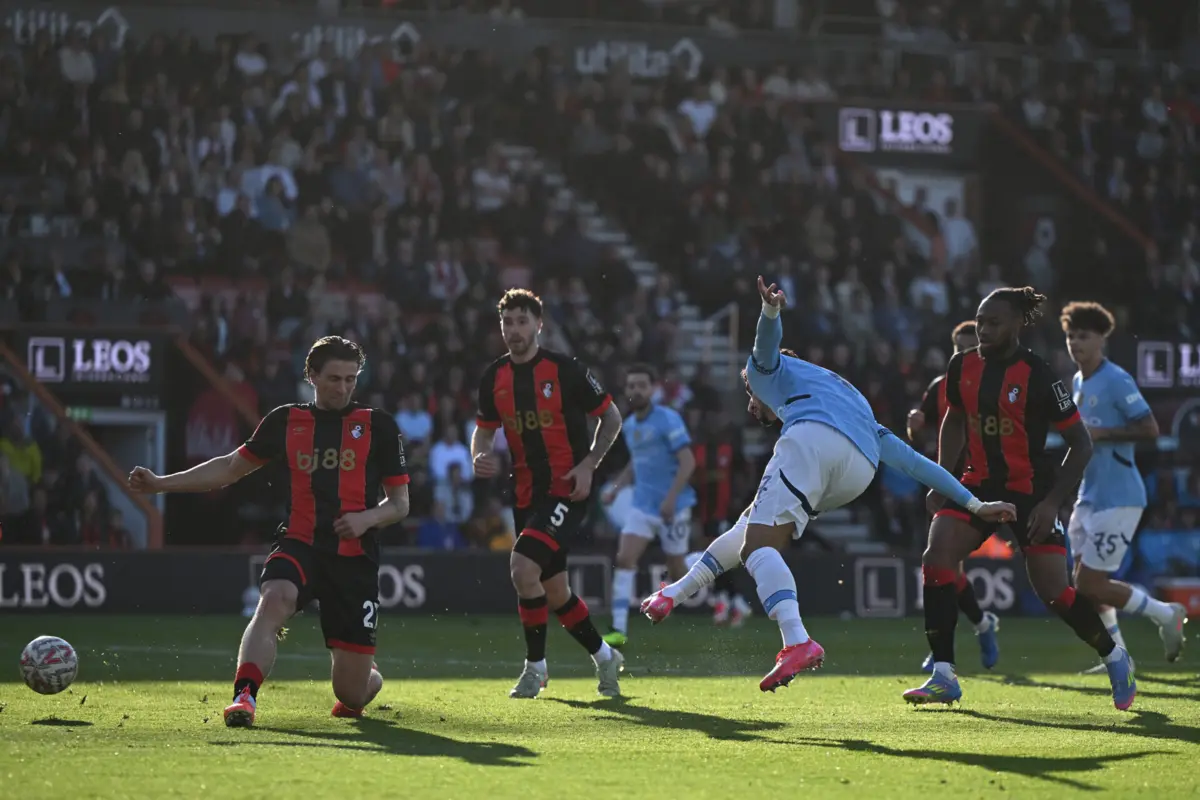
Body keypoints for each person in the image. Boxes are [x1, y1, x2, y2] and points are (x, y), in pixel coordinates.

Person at [641, 277, 1018, 693]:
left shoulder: (765, 374)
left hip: (812, 441)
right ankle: (673, 593)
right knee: (751, 527)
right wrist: (973, 502)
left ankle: (796, 640)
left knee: (758, 548)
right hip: (858, 472)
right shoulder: (847, 394)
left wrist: (769, 312)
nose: (751, 404)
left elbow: (765, 347)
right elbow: (913, 462)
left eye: (750, 395)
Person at [128, 336, 411, 727]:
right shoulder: (285, 420)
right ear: (311, 375)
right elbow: (229, 467)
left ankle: (366, 676)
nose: (343, 388)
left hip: (354, 560)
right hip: (300, 541)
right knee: (274, 600)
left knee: (351, 695)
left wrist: (365, 519)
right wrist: (161, 483)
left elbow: (399, 504)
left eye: (350, 379)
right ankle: (244, 697)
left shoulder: (378, 426)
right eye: (333, 379)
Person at [904, 288, 1137, 711]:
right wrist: (942, 476)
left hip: (1031, 491)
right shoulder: (963, 366)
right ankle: (944, 675)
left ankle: (1115, 656)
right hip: (974, 485)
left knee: (1054, 592)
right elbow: (955, 417)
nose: (984, 329)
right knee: (936, 558)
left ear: (1016, 325)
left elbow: (1080, 444)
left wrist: (1051, 504)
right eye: (979, 320)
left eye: (994, 322)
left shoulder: (1039, 374)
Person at [471, 289, 626, 699]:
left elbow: (610, 417)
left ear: (539, 325)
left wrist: (589, 465)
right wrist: (479, 455)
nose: (514, 330)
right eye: (508, 322)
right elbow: (483, 431)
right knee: (555, 591)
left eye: (522, 322)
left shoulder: (565, 370)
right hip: (524, 494)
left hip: (567, 489)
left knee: (522, 568)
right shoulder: (495, 377)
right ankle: (605, 655)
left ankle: (535, 669)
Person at [1061, 301, 1185, 673]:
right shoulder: (1079, 381)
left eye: (1083, 336)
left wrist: (1103, 434)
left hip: (1120, 496)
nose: (1075, 343)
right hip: (1090, 495)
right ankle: (1118, 654)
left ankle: (1167, 614)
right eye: (1070, 336)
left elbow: (1149, 429)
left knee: (1091, 583)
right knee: (1084, 581)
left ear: (1101, 339)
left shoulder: (1117, 379)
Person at [907, 320, 1001, 673]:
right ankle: (968, 633)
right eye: (959, 348)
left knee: (944, 566)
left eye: (970, 347)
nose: (964, 353)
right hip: (947, 482)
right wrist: (913, 425)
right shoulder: (940, 387)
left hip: (986, 482)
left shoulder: (993, 381)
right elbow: (920, 428)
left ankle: (963, 634)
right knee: (944, 566)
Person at [600, 364, 697, 649]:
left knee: (677, 568)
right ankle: (618, 629)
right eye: (631, 386)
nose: (636, 390)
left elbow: (688, 461)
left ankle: (711, 560)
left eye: (642, 385)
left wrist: (670, 498)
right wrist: (615, 489)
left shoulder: (668, 419)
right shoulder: (629, 426)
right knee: (625, 557)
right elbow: (636, 463)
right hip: (643, 506)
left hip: (674, 505)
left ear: (652, 389)